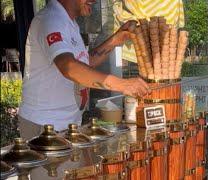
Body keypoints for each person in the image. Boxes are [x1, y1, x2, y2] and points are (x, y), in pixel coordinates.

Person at [18, 0, 150, 140]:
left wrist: (116, 39)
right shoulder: (51, 19)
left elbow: (84, 63)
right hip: (45, 125)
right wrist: (122, 84)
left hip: (67, 124)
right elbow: (69, 67)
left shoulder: (69, 22)